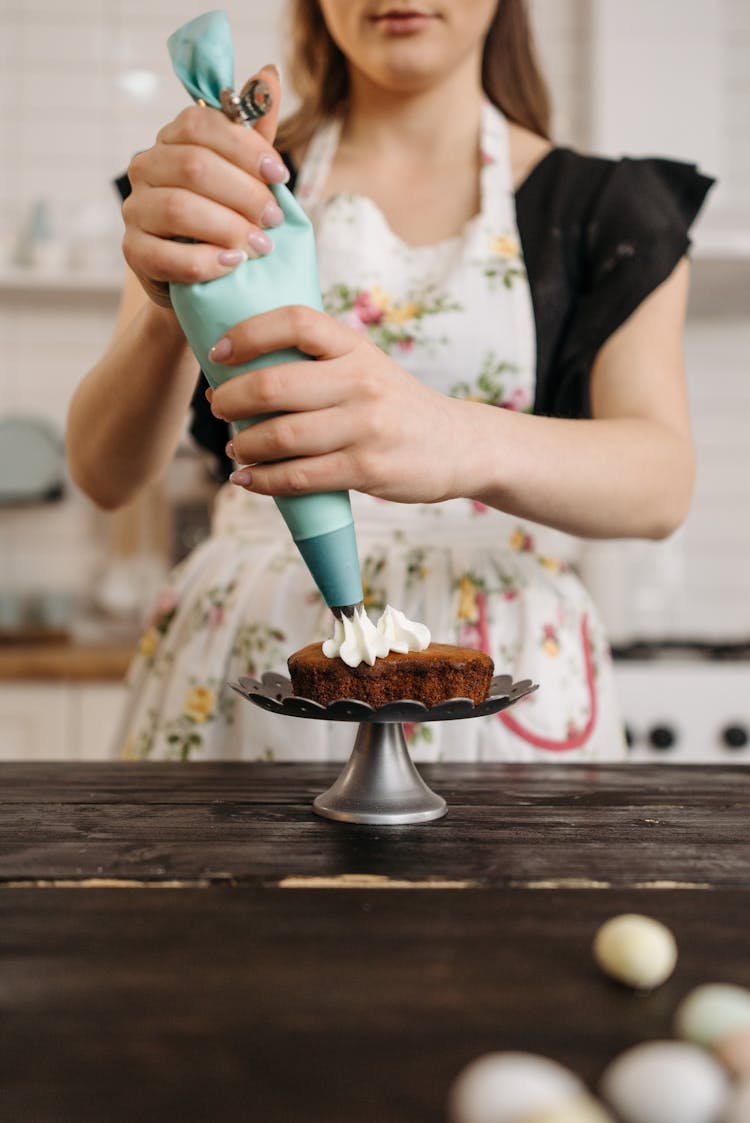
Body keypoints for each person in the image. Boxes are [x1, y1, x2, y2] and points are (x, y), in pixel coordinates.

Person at [66, 0, 713, 764]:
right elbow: (106, 475)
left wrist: (457, 437)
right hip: (247, 659)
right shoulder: (228, 183)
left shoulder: (608, 210)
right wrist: (176, 296)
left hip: (505, 680)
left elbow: (661, 483)